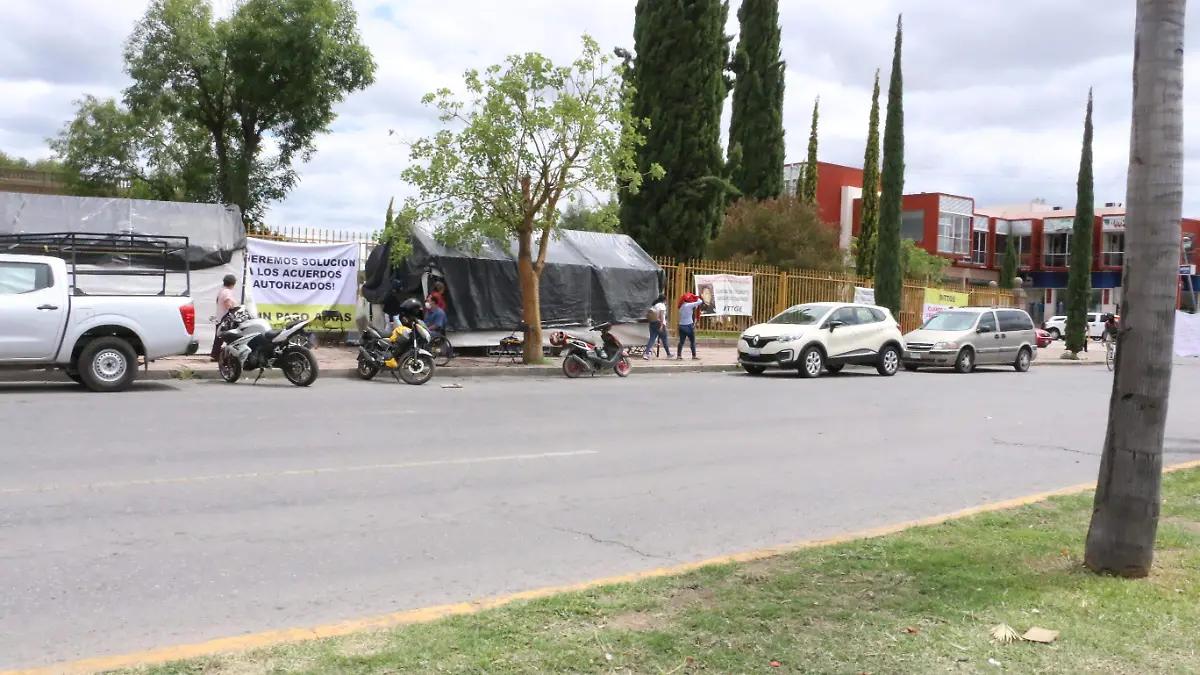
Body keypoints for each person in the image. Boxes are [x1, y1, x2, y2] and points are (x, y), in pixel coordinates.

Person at [210, 274, 238, 361]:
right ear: (233, 283)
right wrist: (233, 309)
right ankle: (224, 355)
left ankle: (215, 355)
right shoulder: (226, 292)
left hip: (220, 317)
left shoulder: (222, 291)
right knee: (228, 337)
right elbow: (228, 303)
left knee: (219, 338)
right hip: (225, 319)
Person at [676, 293, 704, 360]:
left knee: (681, 342)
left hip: (681, 326)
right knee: (692, 341)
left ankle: (679, 355)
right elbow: (700, 302)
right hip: (688, 325)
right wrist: (696, 297)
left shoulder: (681, 307)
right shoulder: (689, 305)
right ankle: (694, 356)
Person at [644, 294, 672, 360]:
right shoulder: (662, 306)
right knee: (664, 339)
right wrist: (661, 325)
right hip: (659, 323)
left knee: (652, 339)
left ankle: (646, 353)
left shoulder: (654, 305)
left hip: (652, 323)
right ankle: (668, 354)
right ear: (664, 300)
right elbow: (662, 316)